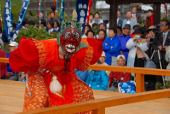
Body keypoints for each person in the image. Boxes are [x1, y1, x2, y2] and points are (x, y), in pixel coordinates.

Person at [9, 10, 103, 112]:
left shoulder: (79, 51)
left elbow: (94, 47)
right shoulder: (46, 48)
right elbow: (21, 54)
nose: (70, 44)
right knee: (40, 97)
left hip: (62, 75)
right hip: (41, 74)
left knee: (85, 92)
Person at [152, 19, 170, 84]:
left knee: (167, 76)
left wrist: (168, 48)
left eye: (162, 25)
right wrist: (158, 47)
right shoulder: (158, 34)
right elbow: (153, 44)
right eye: (160, 25)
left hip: (167, 59)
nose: (160, 27)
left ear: (167, 26)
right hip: (158, 57)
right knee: (158, 75)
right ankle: (159, 88)